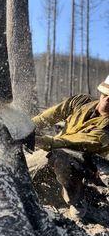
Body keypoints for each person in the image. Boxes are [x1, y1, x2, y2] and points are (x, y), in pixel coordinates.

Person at [31, 76, 109, 219]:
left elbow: (71, 143)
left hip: (84, 166)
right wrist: (27, 127)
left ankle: (77, 199)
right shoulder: (81, 102)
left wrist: (35, 140)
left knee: (63, 156)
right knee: (23, 169)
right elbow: (49, 116)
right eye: (106, 95)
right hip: (53, 151)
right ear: (102, 92)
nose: (108, 99)